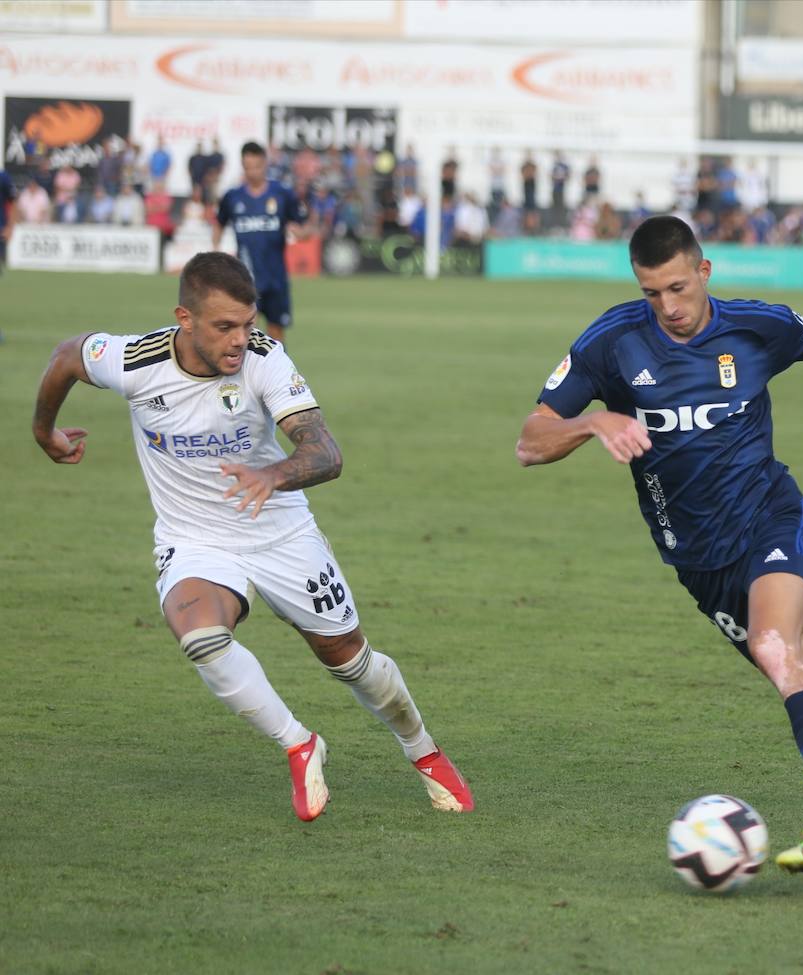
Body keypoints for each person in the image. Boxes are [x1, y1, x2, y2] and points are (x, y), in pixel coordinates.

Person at [515, 216, 803, 876]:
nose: (668, 307)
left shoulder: (755, 328)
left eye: (677, 287)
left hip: (772, 517)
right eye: (652, 293)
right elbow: (530, 441)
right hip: (701, 564)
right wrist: (592, 420)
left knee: (774, 647)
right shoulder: (612, 342)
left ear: (704, 271)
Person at [32, 252, 474, 822]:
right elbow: (67, 355)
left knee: (349, 660)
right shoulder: (135, 360)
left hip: (282, 532)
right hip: (194, 538)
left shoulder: (264, 358)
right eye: (224, 327)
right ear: (184, 319)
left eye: (247, 323)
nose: (240, 339)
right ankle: (299, 743)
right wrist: (45, 432)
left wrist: (272, 475)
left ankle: (425, 752)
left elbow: (326, 453)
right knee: (198, 634)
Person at [213, 142, 310, 343]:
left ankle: (277, 373)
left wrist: (299, 232)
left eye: (256, 166)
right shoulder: (233, 197)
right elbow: (219, 223)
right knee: (244, 333)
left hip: (276, 278)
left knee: (276, 333)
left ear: (265, 164)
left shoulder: (282, 193)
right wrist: (216, 251)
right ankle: (245, 375)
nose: (252, 172)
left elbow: (304, 227)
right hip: (245, 279)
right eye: (247, 167)